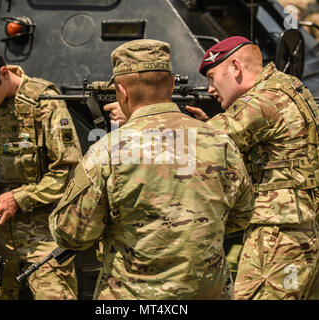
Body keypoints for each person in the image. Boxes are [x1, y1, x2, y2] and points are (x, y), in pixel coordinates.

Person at [49, 39, 254, 300]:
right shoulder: (219, 141)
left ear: (121, 91)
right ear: (170, 84)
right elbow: (242, 214)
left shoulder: (108, 151)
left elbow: (71, 233)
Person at [182, 36, 319, 299]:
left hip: (279, 236)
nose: (209, 89)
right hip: (304, 228)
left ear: (235, 67)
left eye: (212, 77)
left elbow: (202, 145)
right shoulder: (286, 86)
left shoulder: (262, 100)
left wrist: (142, 117)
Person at [0, 44, 82, 300]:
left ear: (5, 73)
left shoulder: (44, 103)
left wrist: (21, 198)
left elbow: (70, 171)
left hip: (43, 236)